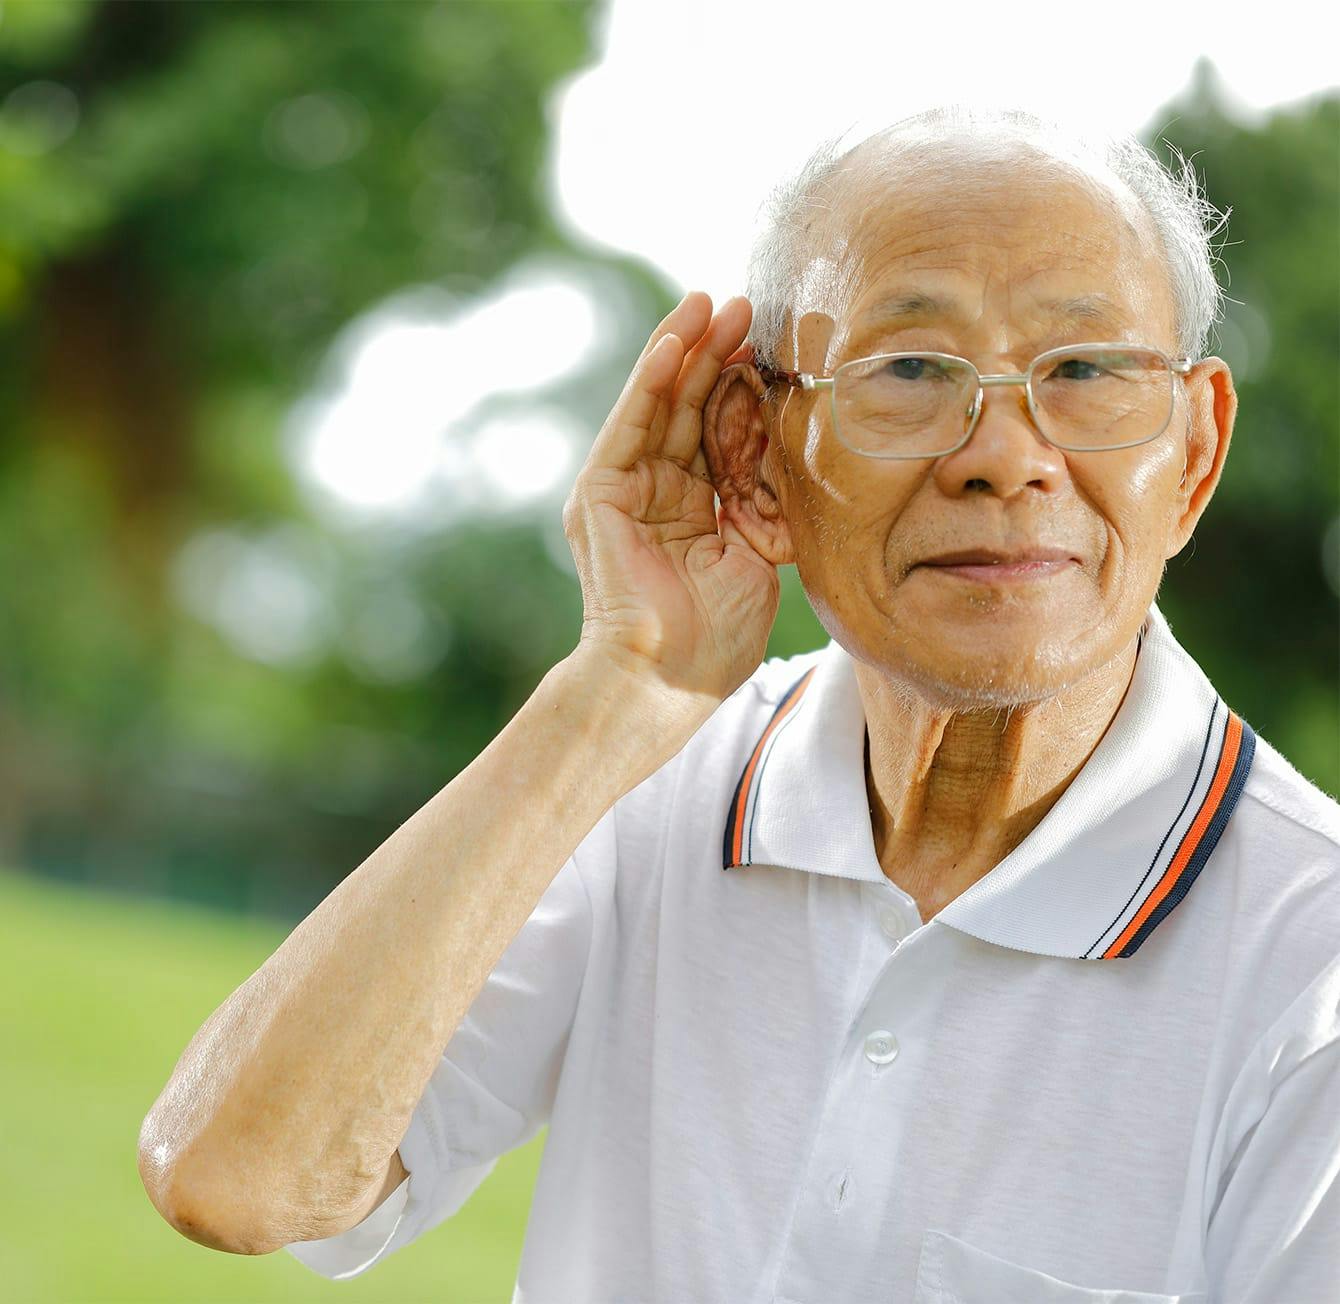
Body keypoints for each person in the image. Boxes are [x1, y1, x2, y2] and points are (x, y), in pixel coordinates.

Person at [139, 104, 1340, 1302]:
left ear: (1190, 457)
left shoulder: (1310, 962)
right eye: (908, 369)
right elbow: (240, 1178)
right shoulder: (657, 779)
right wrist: (618, 687)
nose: (1003, 453)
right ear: (757, 451)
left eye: (1082, 371)